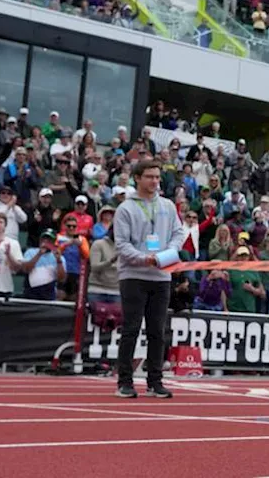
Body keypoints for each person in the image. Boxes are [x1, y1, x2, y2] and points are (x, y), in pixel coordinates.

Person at [113, 159, 185, 399]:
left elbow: (178, 234)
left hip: (161, 276)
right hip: (134, 275)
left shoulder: (167, 205)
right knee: (131, 329)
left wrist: (166, 255)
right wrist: (145, 259)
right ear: (137, 178)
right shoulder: (126, 208)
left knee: (157, 331)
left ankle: (155, 381)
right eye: (149, 177)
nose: (155, 181)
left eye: (157, 177)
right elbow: (121, 244)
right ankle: (124, 381)